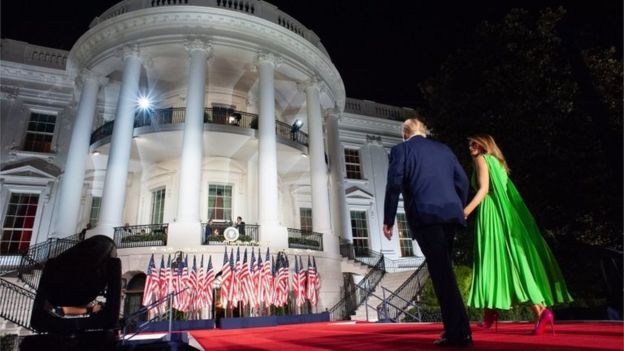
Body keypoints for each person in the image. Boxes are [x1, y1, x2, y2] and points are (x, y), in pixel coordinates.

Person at [463, 134, 573, 335]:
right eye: (469, 143)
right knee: (504, 259)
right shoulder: (499, 163)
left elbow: (484, 190)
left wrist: (466, 211)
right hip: (507, 216)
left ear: (484, 144)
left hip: (492, 215)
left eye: (474, 143)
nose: (470, 146)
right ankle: (491, 312)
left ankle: (540, 311)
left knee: (495, 260)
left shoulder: (481, 159)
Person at [383, 118, 472, 347]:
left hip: (425, 216)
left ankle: (459, 332)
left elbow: (394, 185)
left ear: (405, 133)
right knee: (444, 270)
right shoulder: (444, 149)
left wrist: (388, 219)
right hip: (450, 214)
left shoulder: (401, 150)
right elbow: (462, 180)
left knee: (441, 272)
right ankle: (455, 328)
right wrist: (458, 206)